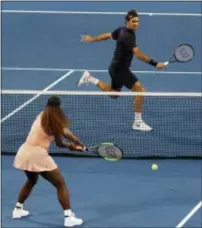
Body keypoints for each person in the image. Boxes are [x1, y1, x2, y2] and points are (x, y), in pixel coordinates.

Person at [77, 9, 166, 131]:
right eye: (133, 21)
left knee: (114, 94)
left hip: (114, 67)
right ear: (127, 21)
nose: (136, 24)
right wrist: (155, 64)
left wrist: (92, 39)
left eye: (138, 21)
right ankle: (138, 122)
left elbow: (108, 35)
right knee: (140, 90)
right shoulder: (127, 37)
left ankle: (89, 78)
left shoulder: (121, 30)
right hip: (120, 69)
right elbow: (138, 55)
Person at [12, 96, 84, 227]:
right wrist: (73, 146)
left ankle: (17, 210)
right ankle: (68, 217)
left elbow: (65, 131)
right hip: (37, 155)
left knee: (31, 180)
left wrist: (77, 141)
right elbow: (60, 143)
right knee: (60, 184)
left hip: (24, 152)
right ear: (58, 108)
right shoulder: (55, 123)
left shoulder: (42, 115)